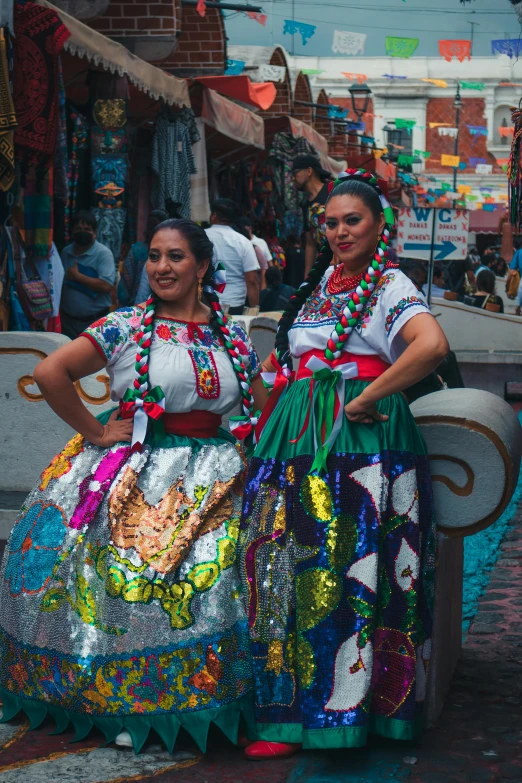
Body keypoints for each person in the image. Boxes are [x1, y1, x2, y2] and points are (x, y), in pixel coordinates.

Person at [0, 219, 261, 753]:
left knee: (225, 581)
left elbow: (260, 403)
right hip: (138, 475)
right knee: (129, 583)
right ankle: (128, 703)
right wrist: (96, 431)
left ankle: (213, 699)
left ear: (203, 266)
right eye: (155, 257)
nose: (162, 267)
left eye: (176, 257)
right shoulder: (125, 327)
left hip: (218, 473)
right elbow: (51, 372)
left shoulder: (231, 334)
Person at [238, 169, 449, 760]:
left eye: (351, 220)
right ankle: (288, 715)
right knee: (282, 566)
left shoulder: (389, 283)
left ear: (379, 224)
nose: (338, 231)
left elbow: (431, 346)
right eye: (329, 222)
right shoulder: (324, 281)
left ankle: (352, 713)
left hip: (358, 442)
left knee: (351, 568)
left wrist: (367, 395)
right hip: (297, 436)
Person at [60, 210, 116, 339]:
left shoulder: (103, 253)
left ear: (94, 232)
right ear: (72, 231)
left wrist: (77, 276)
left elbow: (106, 285)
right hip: (67, 322)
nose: (82, 232)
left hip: (94, 322)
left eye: (87, 229)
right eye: (78, 228)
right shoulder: (66, 252)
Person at [206, 199, 259, 315]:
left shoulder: (200, 237)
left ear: (214, 216)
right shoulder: (243, 242)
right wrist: (254, 310)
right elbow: (252, 280)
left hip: (205, 302)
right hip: (235, 305)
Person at [118, 209, 169, 305]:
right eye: (150, 226)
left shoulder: (169, 252)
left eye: (155, 226)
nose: (152, 230)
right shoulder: (137, 250)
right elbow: (125, 283)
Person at [292, 154, 331, 277]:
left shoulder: (333, 191)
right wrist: (307, 277)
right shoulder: (306, 205)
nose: (292, 178)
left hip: (347, 263)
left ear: (309, 171)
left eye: (296, 173)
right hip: (326, 269)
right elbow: (310, 243)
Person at [237, 216, 270, 291]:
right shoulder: (236, 247)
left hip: (254, 286)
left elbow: (264, 267)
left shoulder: (256, 247)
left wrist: (263, 287)